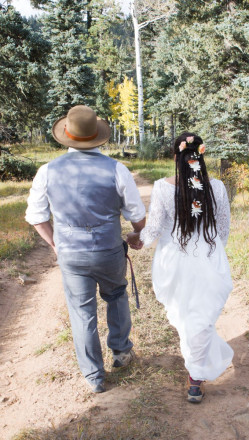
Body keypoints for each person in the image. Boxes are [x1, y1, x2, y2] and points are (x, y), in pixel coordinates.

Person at [25, 105, 146, 393]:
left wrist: (56, 244)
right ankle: (121, 353)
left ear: (66, 135)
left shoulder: (47, 171)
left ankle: (94, 376)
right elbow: (136, 214)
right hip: (108, 250)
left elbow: (37, 217)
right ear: (97, 136)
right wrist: (138, 234)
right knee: (116, 295)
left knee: (81, 312)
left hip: (71, 253)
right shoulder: (116, 168)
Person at [127, 133, 233, 403]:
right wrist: (209, 251)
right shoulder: (217, 187)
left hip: (175, 261)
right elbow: (222, 230)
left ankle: (195, 376)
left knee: (187, 318)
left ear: (176, 157)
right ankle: (195, 378)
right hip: (209, 257)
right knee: (203, 319)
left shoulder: (163, 187)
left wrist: (136, 240)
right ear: (201, 155)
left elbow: (153, 230)